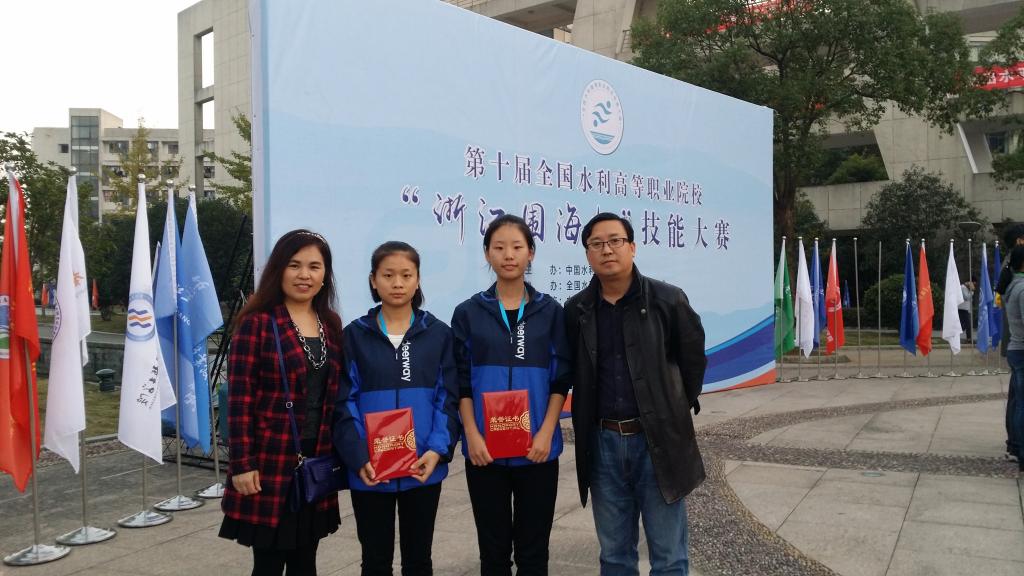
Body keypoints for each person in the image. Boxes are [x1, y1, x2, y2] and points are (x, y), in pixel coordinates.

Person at [565, 212, 707, 575]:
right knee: (614, 555)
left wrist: (671, 409)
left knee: (669, 555)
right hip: (602, 445)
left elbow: (692, 362)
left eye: (615, 241)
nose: (607, 250)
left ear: (633, 247)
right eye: (597, 244)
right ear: (587, 253)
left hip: (656, 441)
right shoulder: (577, 310)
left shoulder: (668, 300)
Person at [452, 214, 571, 576]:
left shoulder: (550, 312)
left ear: (530, 253)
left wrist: (546, 433)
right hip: (484, 452)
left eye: (517, 247)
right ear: (487, 254)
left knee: (534, 555)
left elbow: (560, 379)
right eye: (499, 247)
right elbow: (461, 381)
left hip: (537, 450)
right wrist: (471, 436)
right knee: (493, 554)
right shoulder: (468, 313)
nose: (508, 255)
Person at [220, 229, 344, 576]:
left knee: (306, 559)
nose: (305, 275)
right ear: (279, 270)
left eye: (314, 267)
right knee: (269, 563)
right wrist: (242, 464)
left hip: (316, 460)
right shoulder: (257, 324)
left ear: (325, 274)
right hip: (270, 461)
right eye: (294, 265)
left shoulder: (331, 325)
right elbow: (239, 400)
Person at [333, 241, 460, 575]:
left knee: (419, 559)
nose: (398, 283)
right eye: (388, 275)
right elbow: (344, 401)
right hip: (370, 470)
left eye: (406, 275)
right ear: (373, 280)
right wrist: (359, 455)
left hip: (422, 467)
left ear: (418, 281)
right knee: (375, 560)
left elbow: (448, 398)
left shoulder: (438, 335)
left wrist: (436, 450)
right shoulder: (354, 336)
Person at [996, 224, 1024, 463]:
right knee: (1019, 401)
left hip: (1016, 343)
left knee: (1017, 397)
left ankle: (1015, 444)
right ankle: (1016, 445)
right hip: (1019, 343)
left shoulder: (1010, 270)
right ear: (1020, 241)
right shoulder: (1018, 279)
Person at [959, 277, 975, 341]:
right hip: (962, 308)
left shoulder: (967, 288)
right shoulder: (963, 287)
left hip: (966, 309)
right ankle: (969, 338)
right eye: (973, 284)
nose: (973, 285)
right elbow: (966, 297)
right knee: (968, 324)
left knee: (964, 324)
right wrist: (972, 291)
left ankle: (955, 335)